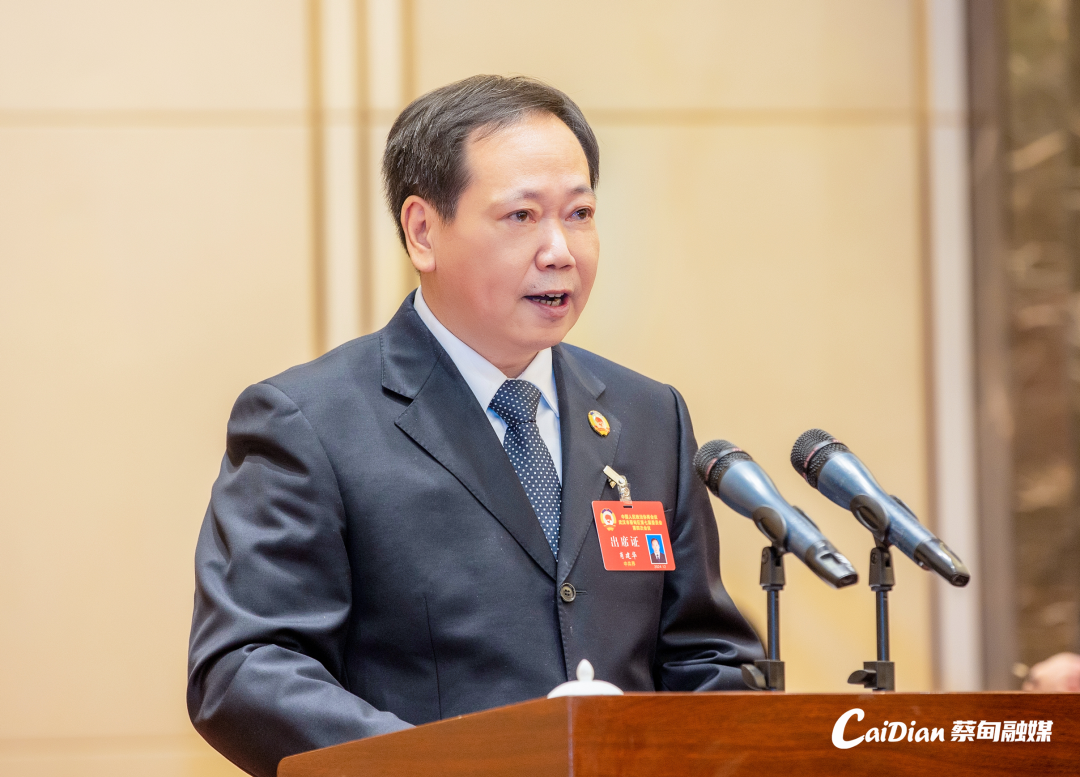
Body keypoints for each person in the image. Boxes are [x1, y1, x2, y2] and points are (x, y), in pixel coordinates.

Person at [187, 75, 763, 777]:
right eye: (521, 216)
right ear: (423, 232)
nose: (560, 249)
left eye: (580, 214)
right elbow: (245, 669)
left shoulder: (649, 416)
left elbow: (706, 655)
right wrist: (449, 766)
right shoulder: (310, 423)